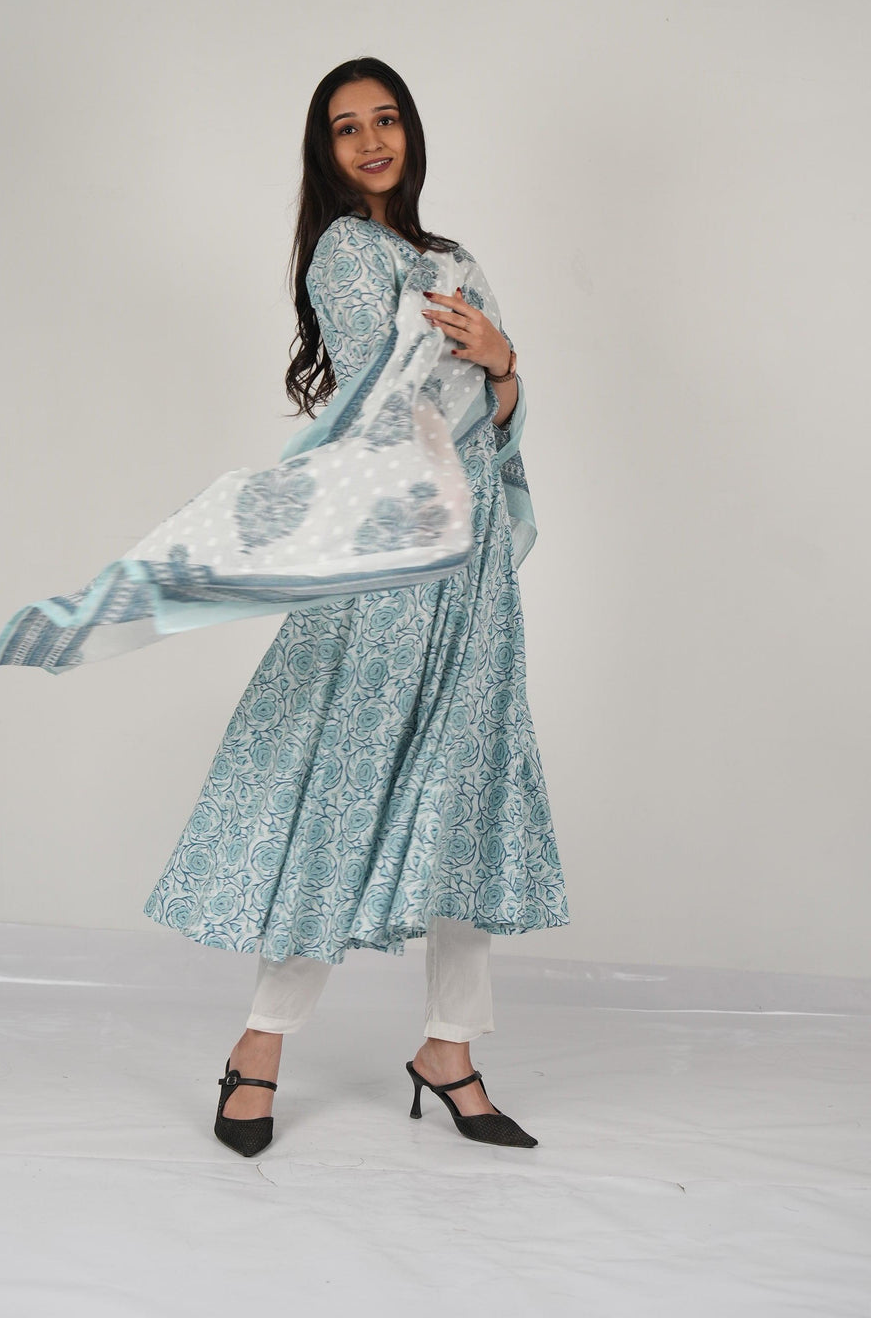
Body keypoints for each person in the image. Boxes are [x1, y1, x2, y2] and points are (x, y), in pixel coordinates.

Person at [142, 57, 571, 1157]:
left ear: (411, 133)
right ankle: (259, 1048)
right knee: (343, 791)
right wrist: (479, 365)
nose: (372, 141)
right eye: (347, 127)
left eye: (387, 120)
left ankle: (450, 1049)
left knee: (463, 797)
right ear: (324, 151)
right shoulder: (347, 251)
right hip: (393, 556)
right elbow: (390, 398)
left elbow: (493, 415)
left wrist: (506, 364)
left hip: (471, 568)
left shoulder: (452, 257)